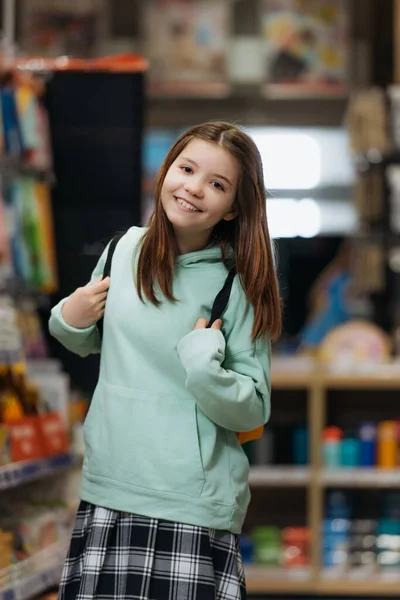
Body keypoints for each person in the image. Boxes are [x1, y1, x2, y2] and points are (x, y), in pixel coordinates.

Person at [49, 121, 282, 600]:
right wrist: (68, 320)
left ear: (235, 206)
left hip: (191, 502)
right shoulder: (122, 251)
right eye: (187, 168)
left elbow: (254, 407)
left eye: (217, 184)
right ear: (166, 170)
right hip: (110, 485)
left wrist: (204, 369)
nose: (193, 188)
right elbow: (97, 342)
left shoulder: (238, 283)